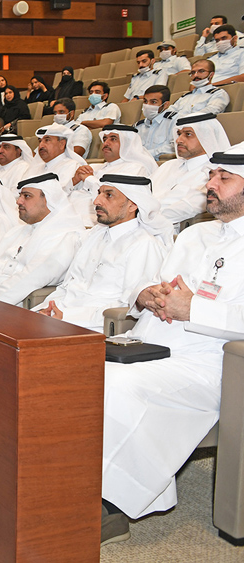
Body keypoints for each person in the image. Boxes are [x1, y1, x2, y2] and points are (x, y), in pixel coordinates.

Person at [101, 144, 244, 544]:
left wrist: (192, 310)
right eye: (211, 175)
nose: (209, 184)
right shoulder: (196, 234)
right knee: (65, 372)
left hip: (211, 363)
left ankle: (110, 507)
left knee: (113, 388)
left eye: (223, 178)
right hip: (145, 343)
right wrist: (145, 294)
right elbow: (155, 283)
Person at [34, 174, 167, 332]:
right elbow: (67, 287)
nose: (96, 201)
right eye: (99, 193)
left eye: (108, 195)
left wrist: (67, 317)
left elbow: (129, 307)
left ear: (132, 205)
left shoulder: (145, 245)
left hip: (91, 329)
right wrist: (44, 310)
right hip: (57, 319)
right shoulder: (94, 235)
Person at [0, 173, 85, 306]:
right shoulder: (19, 230)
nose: (18, 201)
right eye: (20, 196)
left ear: (48, 199)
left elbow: (27, 280)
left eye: (27, 196)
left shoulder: (64, 237)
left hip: (5, 306)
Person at [151, 113, 231, 229]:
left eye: (188, 134)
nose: (178, 140)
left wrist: (141, 219)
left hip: (164, 232)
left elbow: (187, 208)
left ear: (206, 137)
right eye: (179, 134)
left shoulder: (214, 173)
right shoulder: (168, 165)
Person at [163, 59, 230, 121]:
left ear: (211, 74)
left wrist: (179, 118)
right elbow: (169, 112)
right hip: (175, 127)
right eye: (193, 72)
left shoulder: (218, 94)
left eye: (201, 71)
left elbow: (208, 112)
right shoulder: (185, 96)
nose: (196, 75)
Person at [26, 123, 88, 188]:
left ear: (62, 144)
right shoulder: (37, 168)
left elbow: (61, 193)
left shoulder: (72, 167)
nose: (41, 145)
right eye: (40, 141)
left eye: (47, 140)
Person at [135, 85, 176, 160]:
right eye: (145, 101)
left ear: (165, 105)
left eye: (153, 102)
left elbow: (174, 147)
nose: (147, 105)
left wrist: (147, 154)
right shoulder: (138, 126)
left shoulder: (174, 120)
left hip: (161, 165)